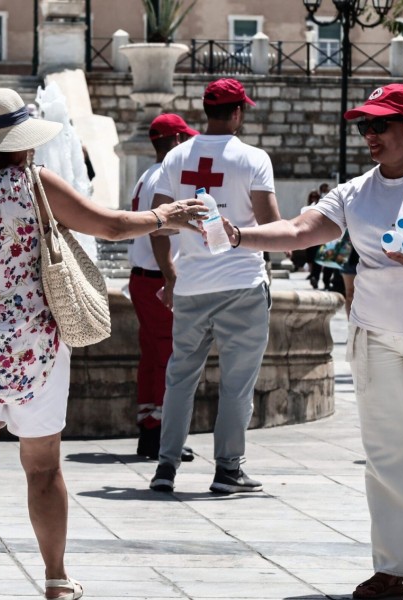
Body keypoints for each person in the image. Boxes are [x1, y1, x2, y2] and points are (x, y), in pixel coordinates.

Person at [0, 88, 204, 600]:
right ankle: (55, 578)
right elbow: (111, 225)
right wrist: (166, 216)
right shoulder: (31, 185)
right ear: (16, 142)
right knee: (43, 466)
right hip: (34, 351)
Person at [221, 83, 403, 599]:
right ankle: (390, 571)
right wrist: (240, 236)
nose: (370, 134)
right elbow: (299, 231)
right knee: (385, 455)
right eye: (364, 125)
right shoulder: (355, 191)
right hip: (376, 335)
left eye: (380, 124)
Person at [148, 78, 281, 495]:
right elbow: (273, 226)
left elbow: (155, 225)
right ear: (238, 112)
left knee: (180, 378)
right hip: (242, 282)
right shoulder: (253, 158)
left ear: (207, 111)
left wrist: (170, 277)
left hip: (191, 286)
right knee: (236, 383)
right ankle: (227, 470)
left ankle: (166, 467)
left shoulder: (177, 157)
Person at [128, 113, 199, 460]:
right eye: (184, 139)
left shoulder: (146, 175)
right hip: (158, 278)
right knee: (169, 357)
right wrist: (171, 279)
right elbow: (159, 234)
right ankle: (161, 433)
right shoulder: (166, 179)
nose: (187, 145)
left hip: (142, 277)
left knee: (152, 357)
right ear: (174, 142)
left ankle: (149, 428)